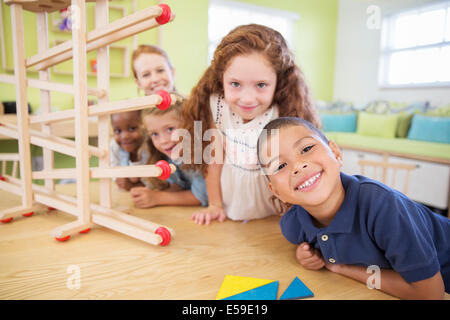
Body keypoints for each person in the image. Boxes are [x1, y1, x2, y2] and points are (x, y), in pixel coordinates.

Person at [256, 116, 450, 299]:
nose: (298, 166)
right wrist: (304, 254)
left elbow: (430, 293)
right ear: (276, 191)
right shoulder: (293, 226)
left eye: (306, 149)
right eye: (280, 166)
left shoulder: (384, 207)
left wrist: (342, 268)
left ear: (336, 153)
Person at [182, 24, 320, 224]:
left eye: (261, 85)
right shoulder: (218, 105)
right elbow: (213, 160)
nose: (247, 99)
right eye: (235, 84)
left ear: (277, 82)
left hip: (276, 214)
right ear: (222, 79)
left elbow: (296, 169)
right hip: (230, 210)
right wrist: (214, 205)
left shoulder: (283, 112)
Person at [130, 96, 208, 208]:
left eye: (170, 129)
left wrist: (157, 197)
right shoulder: (167, 156)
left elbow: (201, 196)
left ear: (189, 124)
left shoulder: (201, 155)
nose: (163, 141)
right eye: (155, 134)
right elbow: (177, 188)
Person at [110, 110, 149, 191]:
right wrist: (119, 179)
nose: (124, 136)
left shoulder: (150, 146)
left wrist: (133, 185)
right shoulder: (114, 146)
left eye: (132, 129)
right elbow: (113, 170)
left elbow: (157, 183)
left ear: (145, 126)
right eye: (118, 131)